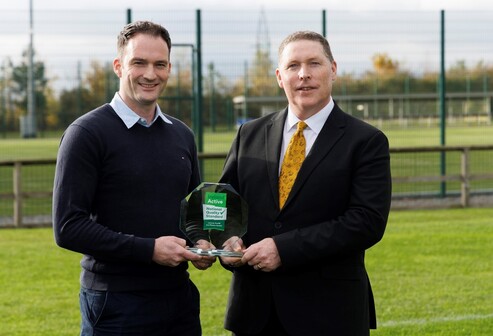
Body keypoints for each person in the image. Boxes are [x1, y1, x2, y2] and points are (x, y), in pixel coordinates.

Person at [219, 31, 392, 335]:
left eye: (314, 63)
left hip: (329, 314)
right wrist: (226, 240)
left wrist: (282, 249)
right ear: (279, 76)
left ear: (333, 69)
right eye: (293, 66)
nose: (304, 75)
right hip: (254, 312)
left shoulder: (366, 141)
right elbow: (222, 202)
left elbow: (366, 222)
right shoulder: (249, 134)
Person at [53, 20, 215, 336]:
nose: (150, 74)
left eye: (160, 64)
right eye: (138, 63)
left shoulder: (182, 135)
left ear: (170, 68)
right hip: (115, 302)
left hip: (179, 297)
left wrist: (203, 242)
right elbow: (67, 227)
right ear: (118, 66)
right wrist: (149, 249)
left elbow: (194, 210)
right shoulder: (86, 133)